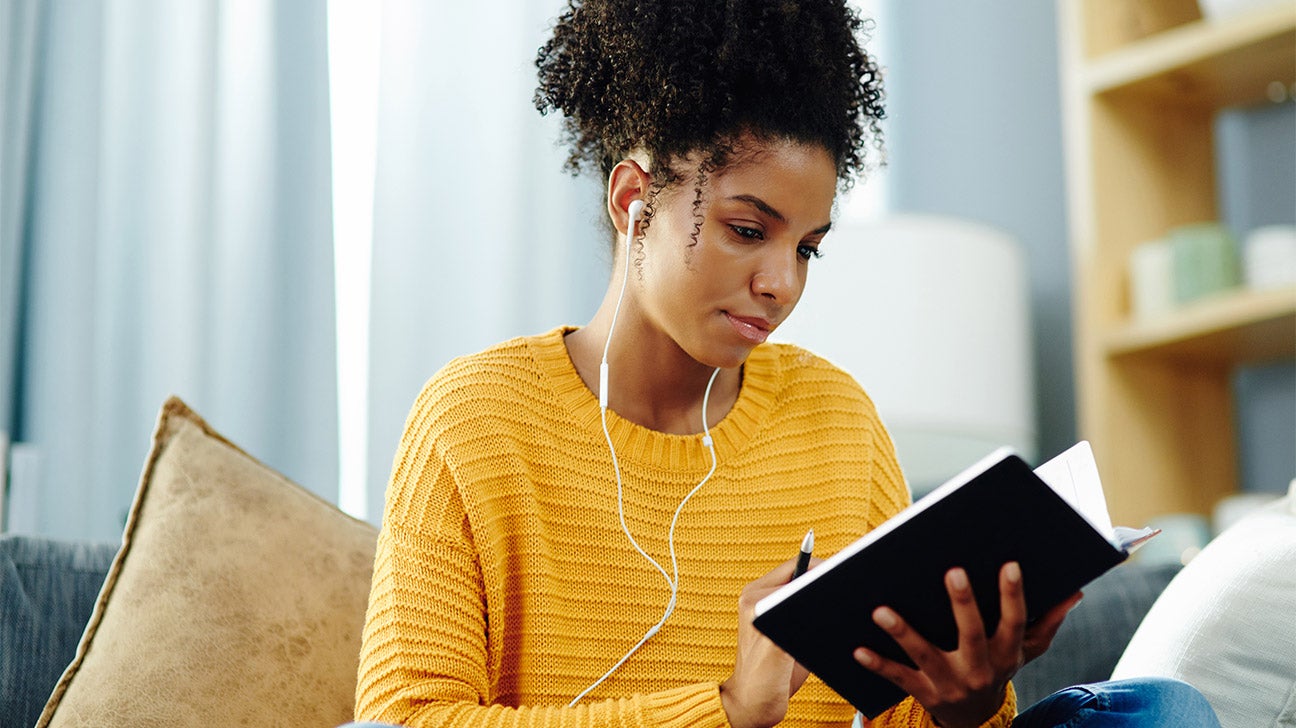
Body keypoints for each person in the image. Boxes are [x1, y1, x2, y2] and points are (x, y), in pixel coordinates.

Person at [352, 1, 1221, 726]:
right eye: (746, 229)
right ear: (633, 201)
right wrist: (727, 709)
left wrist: (971, 697)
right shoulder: (476, 418)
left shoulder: (834, 417)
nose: (780, 283)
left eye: (809, 247)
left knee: (1159, 711)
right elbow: (401, 718)